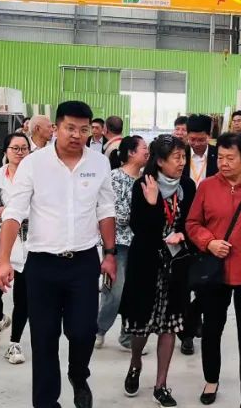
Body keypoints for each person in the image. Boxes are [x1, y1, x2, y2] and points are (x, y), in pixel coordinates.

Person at [0, 101, 118, 408]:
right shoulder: (34, 164)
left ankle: (78, 374)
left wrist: (110, 254)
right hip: (43, 265)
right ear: (56, 128)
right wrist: (3, 260)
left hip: (84, 262)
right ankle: (47, 403)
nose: (77, 135)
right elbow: (14, 213)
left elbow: (106, 210)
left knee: (83, 331)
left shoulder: (99, 163)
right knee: (44, 337)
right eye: (69, 128)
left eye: (83, 129)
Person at [187, 132, 241, 408]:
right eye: (221, 157)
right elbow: (192, 224)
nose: (223, 163)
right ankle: (211, 379)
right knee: (212, 330)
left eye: (230, 158)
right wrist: (209, 242)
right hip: (215, 273)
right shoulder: (207, 187)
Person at [120, 135, 196, 407]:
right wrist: (153, 204)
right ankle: (135, 363)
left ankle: (161, 385)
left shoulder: (188, 186)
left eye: (183, 157)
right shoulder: (144, 185)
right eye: (176, 157)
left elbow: (192, 221)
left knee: (169, 325)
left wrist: (182, 235)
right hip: (147, 265)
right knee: (141, 326)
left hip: (175, 267)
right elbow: (139, 228)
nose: (181, 162)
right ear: (160, 161)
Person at [95, 136, 150, 352]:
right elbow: (116, 214)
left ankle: (127, 336)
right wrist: (141, 216)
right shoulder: (115, 178)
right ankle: (98, 330)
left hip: (140, 244)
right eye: (144, 148)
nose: (147, 151)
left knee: (135, 292)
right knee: (114, 291)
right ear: (131, 153)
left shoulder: (146, 179)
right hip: (117, 244)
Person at [0, 132, 31, 365]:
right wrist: (15, 215)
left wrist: (8, 211)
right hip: (0, 246)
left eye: (24, 148)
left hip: (29, 247)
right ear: (6, 152)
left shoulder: (35, 177)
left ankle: (14, 343)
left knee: (23, 298)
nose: (20, 152)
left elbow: (40, 209)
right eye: (15, 148)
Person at [178, 114, 218, 355]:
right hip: (182, 228)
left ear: (209, 137)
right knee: (183, 284)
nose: (196, 144)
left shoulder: (218, 157)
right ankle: (186, 335)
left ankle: (196, 319)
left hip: (210, 229)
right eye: (192, 139)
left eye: (201, 140)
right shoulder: (179, 155)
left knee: (207, 283)